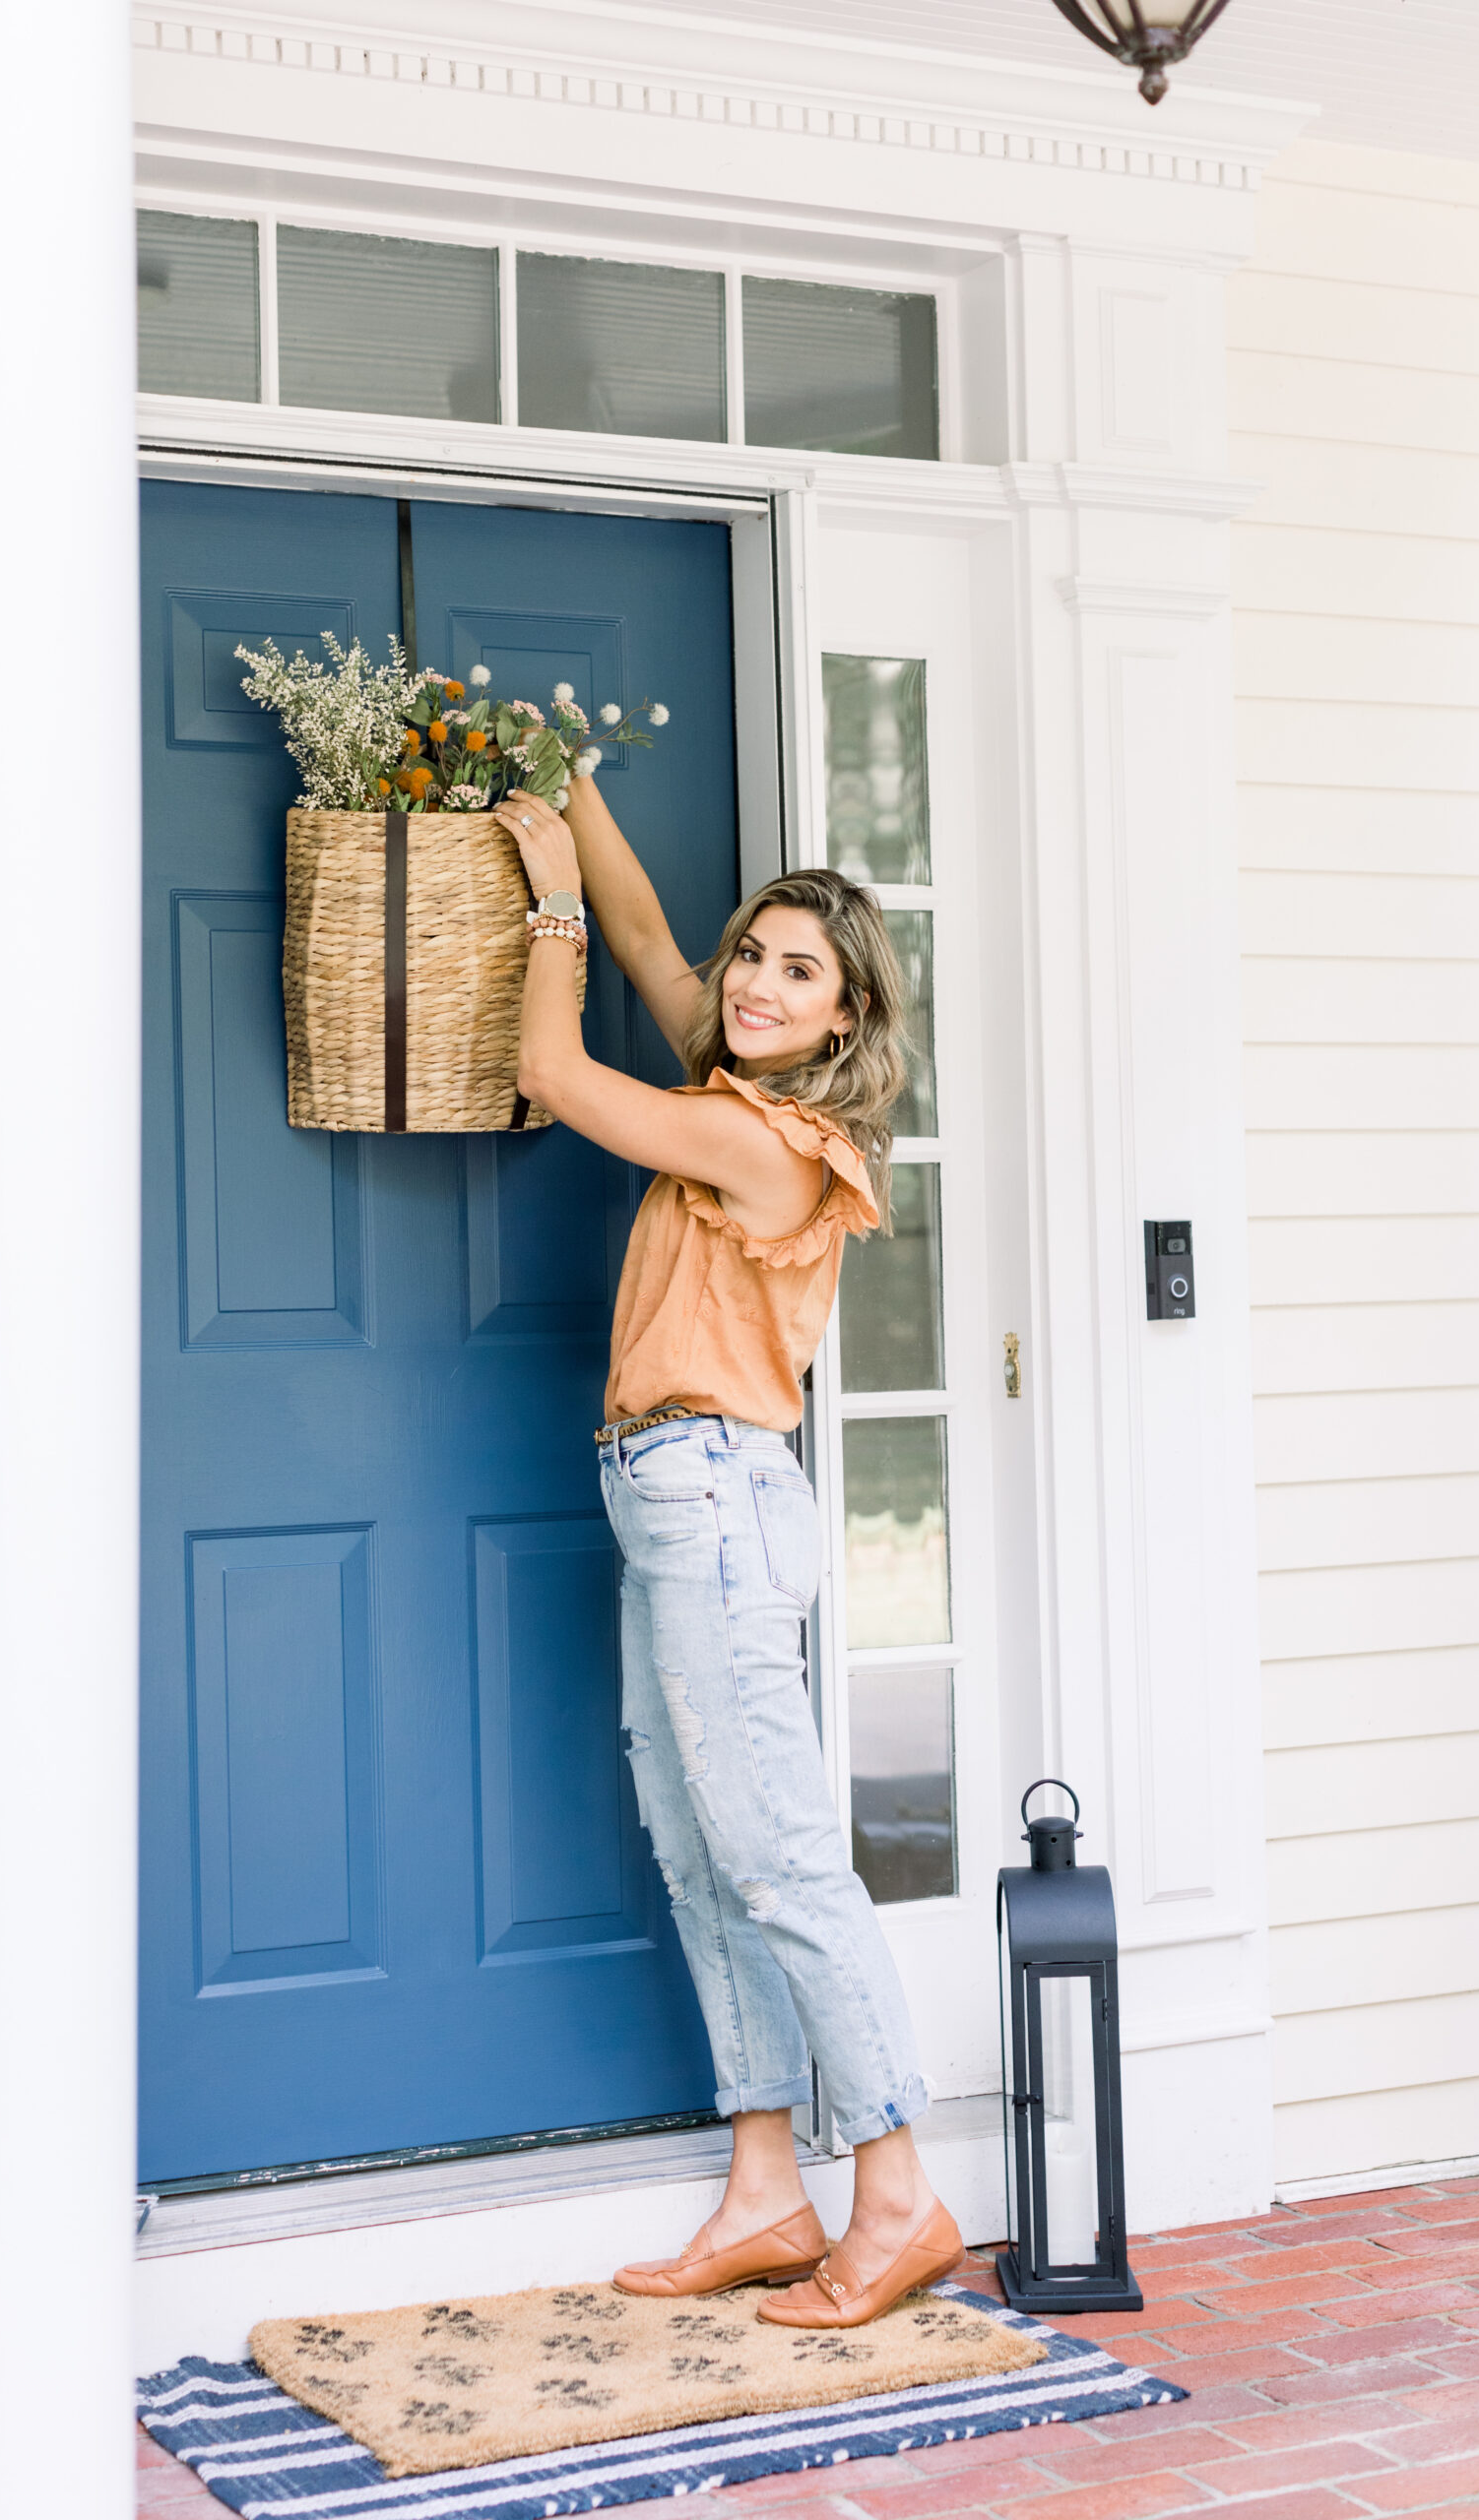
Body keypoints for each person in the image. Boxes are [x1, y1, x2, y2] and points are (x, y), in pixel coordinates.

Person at [488, 771, 962, 2332]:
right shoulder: (734, 1083)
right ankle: (769, 2192)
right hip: (662, 1493)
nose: (754, 982)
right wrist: (574, 793)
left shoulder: (770, 1143)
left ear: (843, 1020)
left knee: (775, 1857)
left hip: (714, 1499)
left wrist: (540, 886)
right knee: (700, 1858)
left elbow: (552, 1065)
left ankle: (898, 2197)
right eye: (751, 953)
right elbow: (641, 934)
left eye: (795, 970)